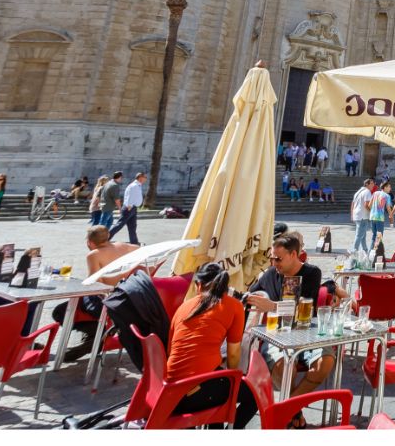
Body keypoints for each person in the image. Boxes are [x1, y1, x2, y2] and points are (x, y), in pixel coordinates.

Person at [244, 232, 335, 401]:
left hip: (307, 332)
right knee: (284, 366)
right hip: (276, 335)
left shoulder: (311, 273)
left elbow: (303, 307)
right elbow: (248, 296)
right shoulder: (270, 274)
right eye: (272, 258)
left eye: (278, 259)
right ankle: (293, 411)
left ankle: (289, 406)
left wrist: (271, 306)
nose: (273, 263)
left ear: (293, 255)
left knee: (326, 361)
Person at [167, 263, 258, 428]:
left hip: (170, 391)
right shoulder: (234, 306)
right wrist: (232, 377)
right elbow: (233, 355)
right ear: (225, 286)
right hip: (196, 390)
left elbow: (171, 350)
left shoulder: (183, 307)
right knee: (254, 395)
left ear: (198, 285)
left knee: (219, 384)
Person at [54, 226, 139, 360]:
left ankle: (98, 335)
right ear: (108, 236)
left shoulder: (94, 254)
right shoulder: (124, 246)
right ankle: (95, 337)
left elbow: (95, 284)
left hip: (105, 300)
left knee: (59, 311)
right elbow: (141, 249)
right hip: (124, 296)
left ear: (90, 242)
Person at [108, 172, 145, 245]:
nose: (145, 179)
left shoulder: (137, 185)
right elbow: (130, 196)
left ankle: (134, 242)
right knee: (119, 224)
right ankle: (106, 238)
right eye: (145, 177)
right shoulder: (134, 186)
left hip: (133, 208)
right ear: (140, 177)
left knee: (132, 226)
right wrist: (130, 205)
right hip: (129, 207)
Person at [350, 178, 374, 252]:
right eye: (372, 183)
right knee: (359, 235)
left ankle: (365, 250)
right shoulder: (367, 192)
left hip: (357, 214)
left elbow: (352, 204)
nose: (373, 185)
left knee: (362, 235)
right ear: (367, 184)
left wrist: (352, 215)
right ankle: (354, 251)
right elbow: (367, 204)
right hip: (363, 216)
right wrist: (372, 212)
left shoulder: (358, 192)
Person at [369, 180, 392, 252]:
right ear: (385, 187)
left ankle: (370, 252)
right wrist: (391, 216)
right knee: (379, 236)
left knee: (374, 236)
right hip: (380, 218)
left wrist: (373, 210)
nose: (390, 188)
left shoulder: (375, 193)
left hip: (372, 216)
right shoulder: (387, 196)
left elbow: (369, 205)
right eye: (389, 187)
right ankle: (375, 253)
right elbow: (388, 208)